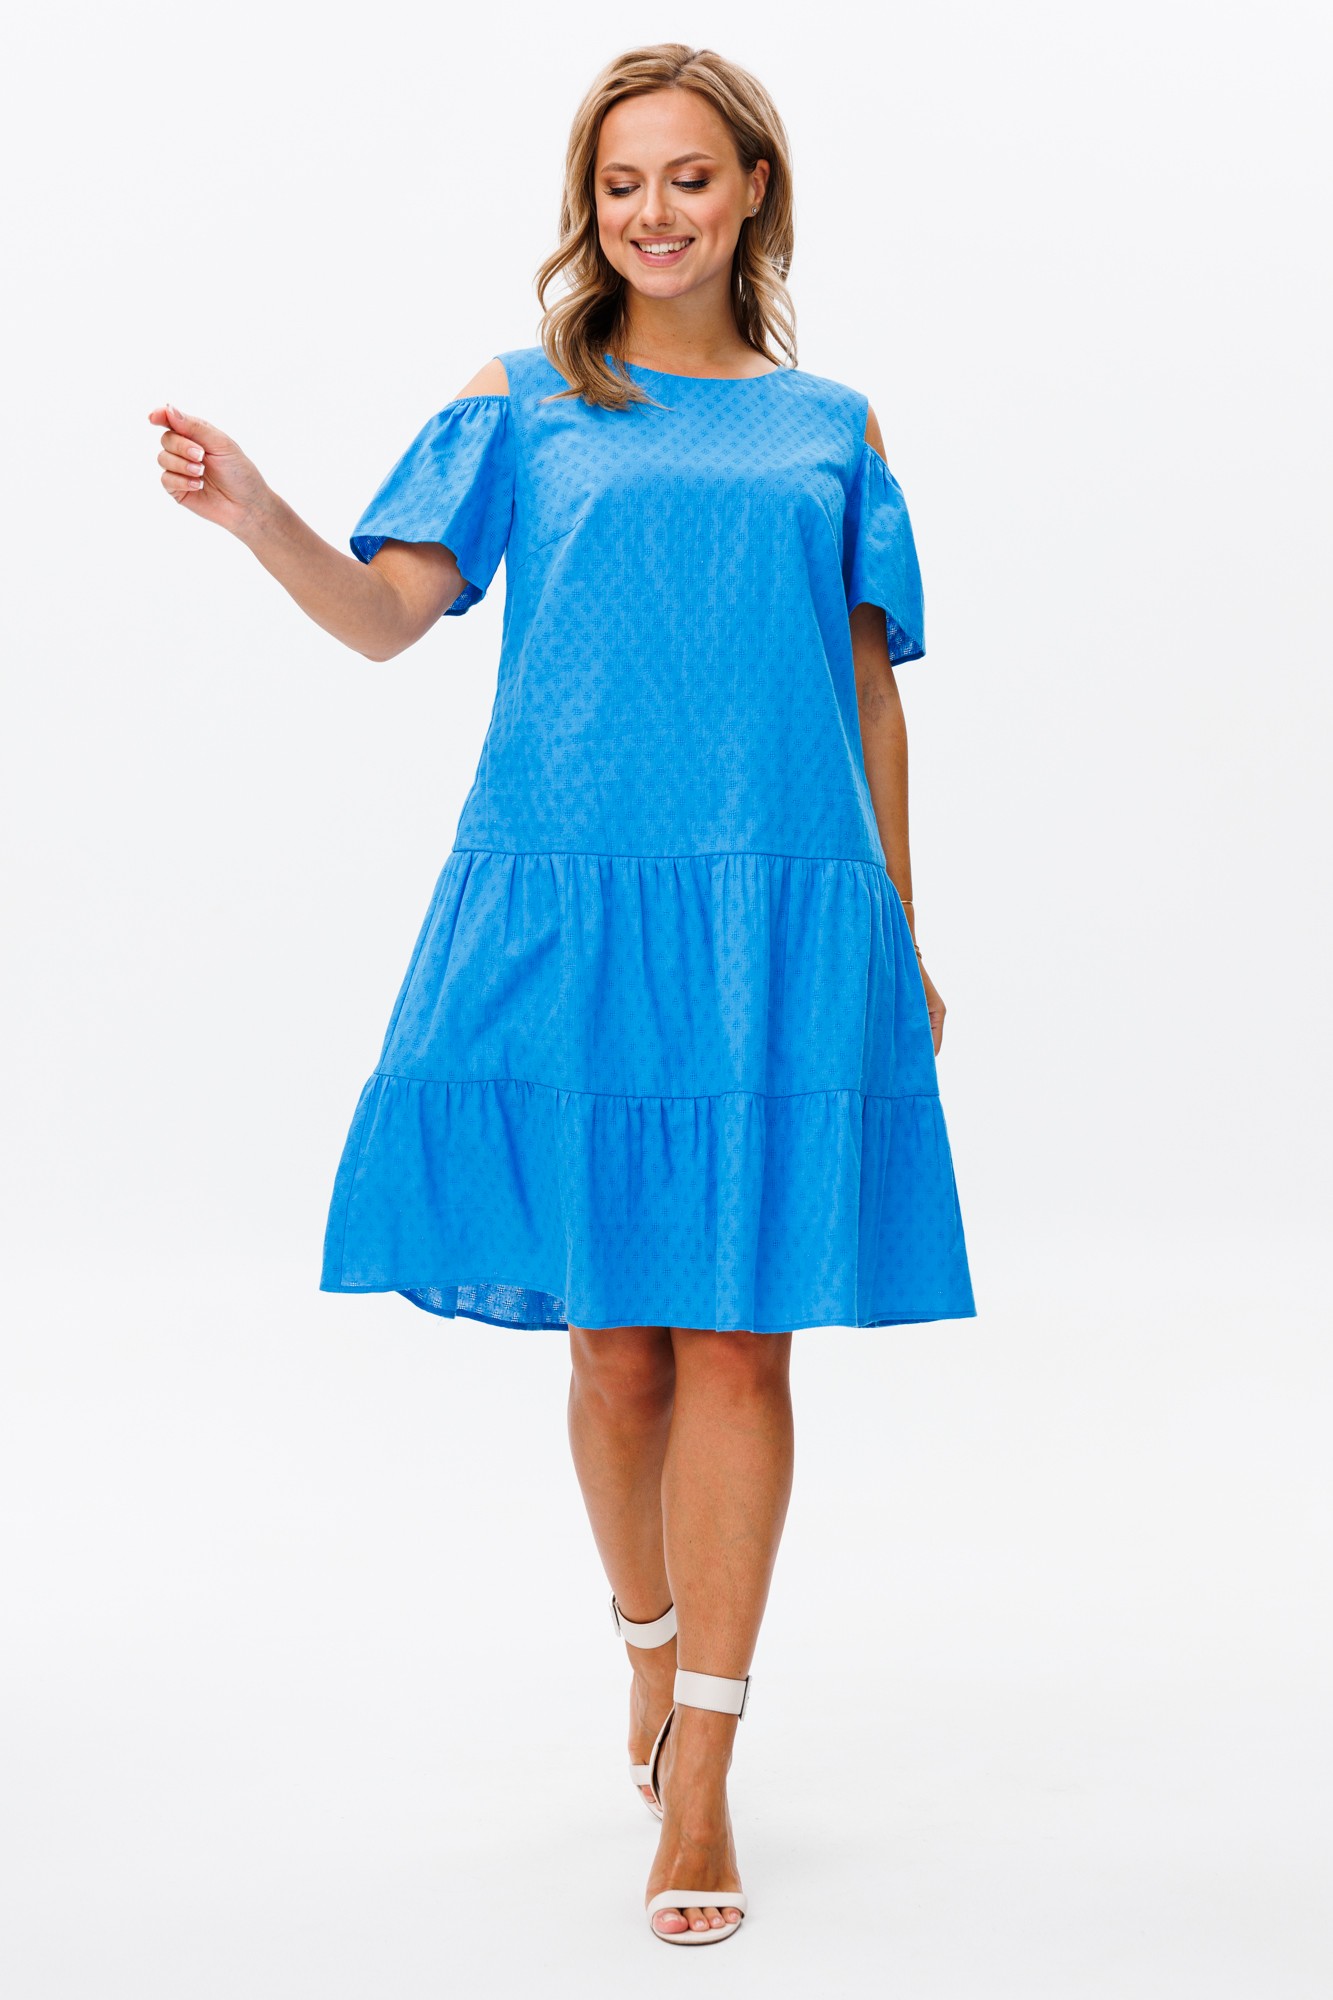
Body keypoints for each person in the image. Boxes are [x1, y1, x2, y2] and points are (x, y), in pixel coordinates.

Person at [148, 40, 976, 1948]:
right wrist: (263, 515)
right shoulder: (520, 404)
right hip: (569, 904)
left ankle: (705, 1772)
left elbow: (867, 691)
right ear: (586, 208)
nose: (652, 213)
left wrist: (898, 927)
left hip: (776, 916)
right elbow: (388, 616)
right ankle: (648, 1642)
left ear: (751, 190)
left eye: (687, 177)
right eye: (620, 184)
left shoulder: (830, 425)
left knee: (740, 1346)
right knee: (615, 1351)